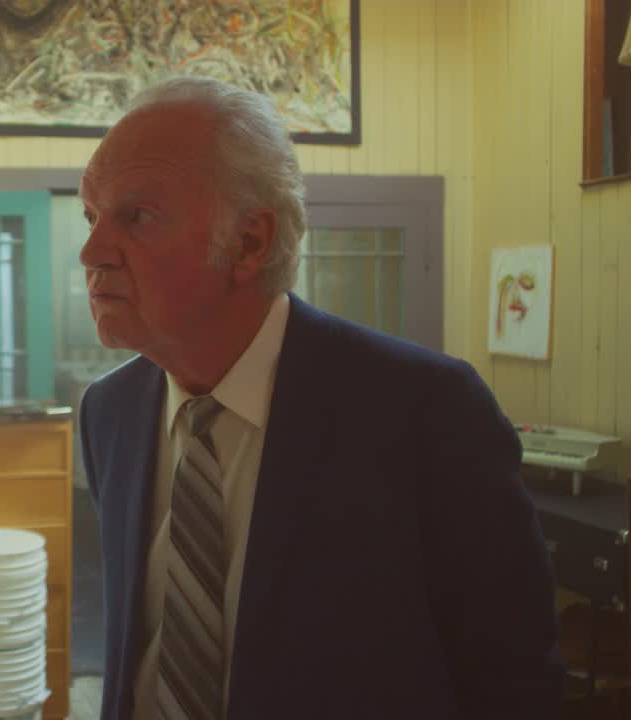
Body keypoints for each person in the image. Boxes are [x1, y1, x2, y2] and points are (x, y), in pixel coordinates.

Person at [76, 77, 563, 720]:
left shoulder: (428, 414)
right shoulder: (109, 413)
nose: (91, 253)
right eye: (92, 217)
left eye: (136, 217)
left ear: (249, 242)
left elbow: (513, 683)